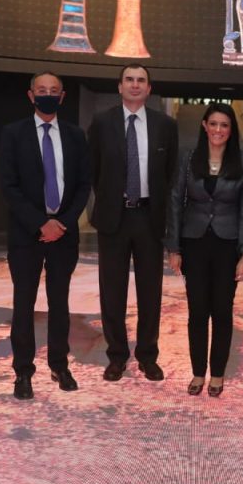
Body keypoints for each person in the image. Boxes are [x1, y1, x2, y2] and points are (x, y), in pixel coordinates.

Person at [0, 72, 92, 400]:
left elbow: (83, 184)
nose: (48, 95)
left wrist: (62, 223)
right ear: (31, 95)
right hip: (27, 234)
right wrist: (41, 223)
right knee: (23, 304)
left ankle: (59, 365)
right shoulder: (13, 134)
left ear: (63, 96)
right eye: (42, 90)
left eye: (54, 90)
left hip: (64, 234)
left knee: (59, 302)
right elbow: (9, 186)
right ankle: (23, 371)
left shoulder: (75, 135)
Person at [88, 64, 179, 382]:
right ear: (120, 86)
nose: (135, 84)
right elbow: (94, 169)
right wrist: (112, 198)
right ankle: (116, 356)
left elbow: (170, 173)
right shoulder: (102, 122)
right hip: (114, 217)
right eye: (129, 79)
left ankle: (147, 356)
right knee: (112, 291)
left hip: (148, 217)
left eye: (141, 80)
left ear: (149, 89)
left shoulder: (165, 125)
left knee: (150, 292)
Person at [166, 103, 243, 397]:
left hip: (228, 246)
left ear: (231, 130)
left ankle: (217, 374)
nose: (218, 130)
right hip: (194, 243)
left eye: (224, 125)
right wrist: (174, 247)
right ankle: (197, 373)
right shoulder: (188, 157)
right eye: (214, 124)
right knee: (197, 311)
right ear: (204, 126)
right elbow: (175, 201)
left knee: (222, 311)